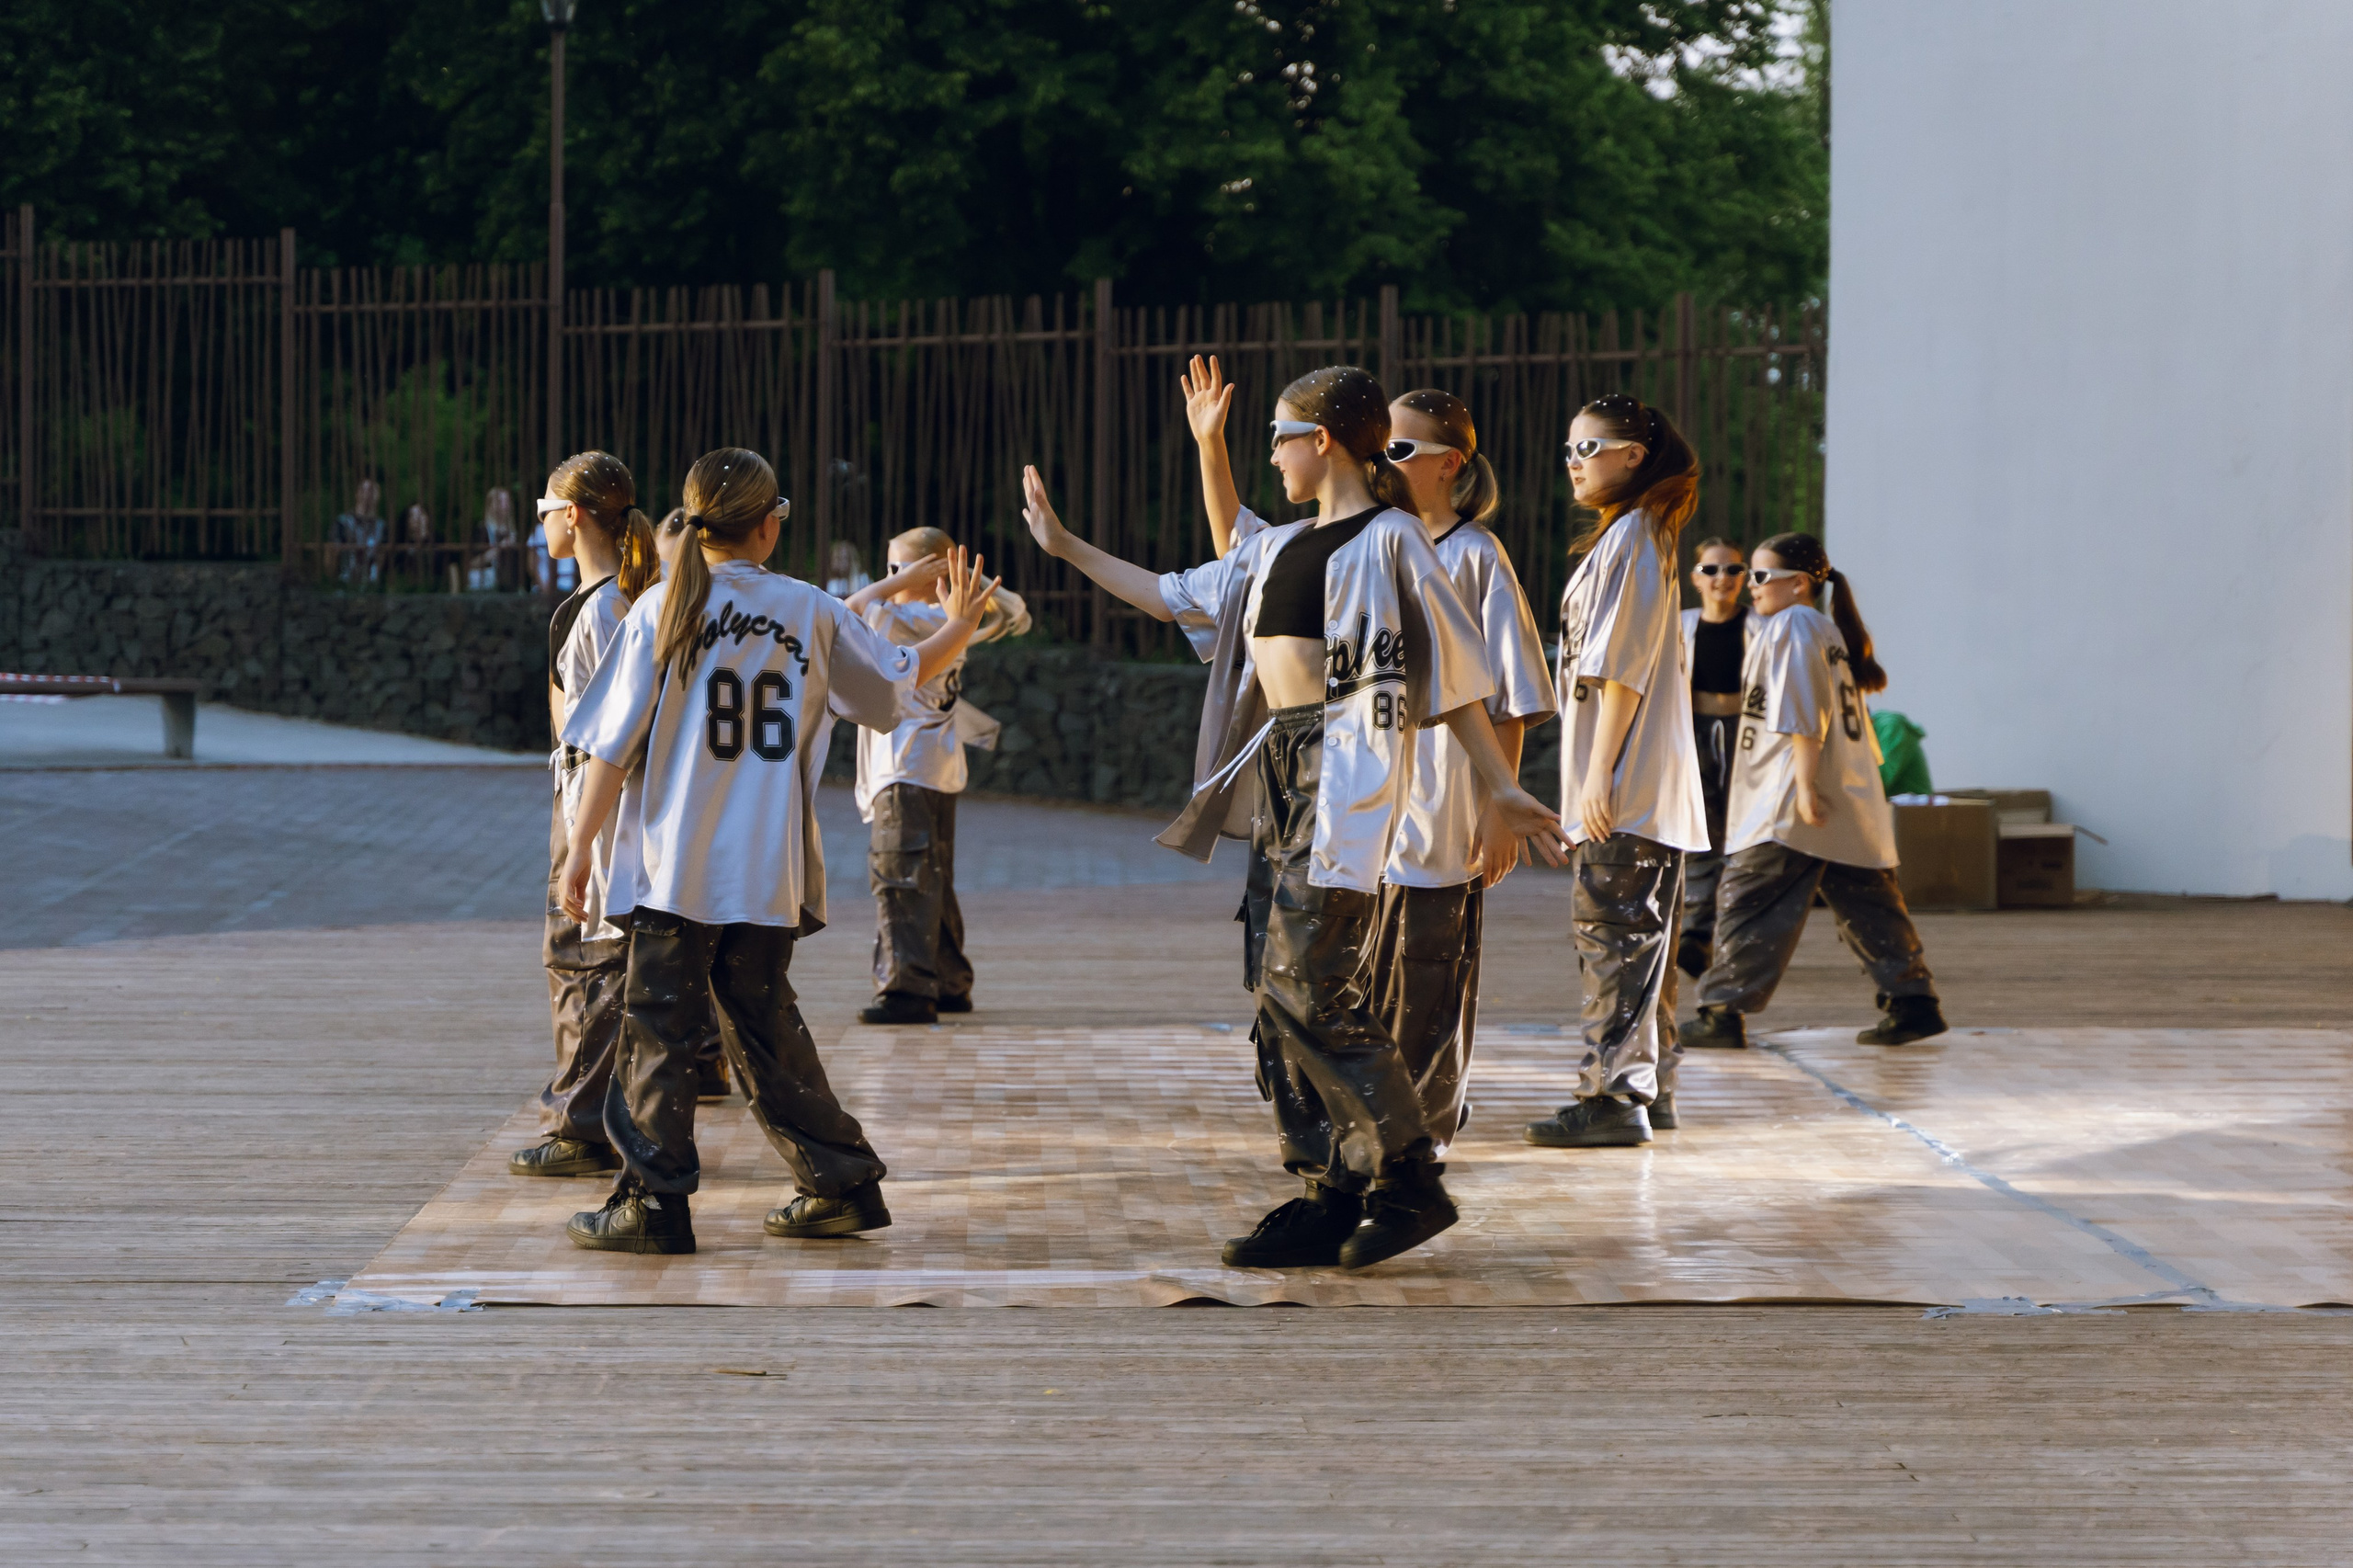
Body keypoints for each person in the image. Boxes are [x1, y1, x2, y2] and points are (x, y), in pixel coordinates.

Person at [1020, 364, 1570, 1273]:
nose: (1267, 454)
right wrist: (1067, 545)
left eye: (1276, 436)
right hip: (1279, 766)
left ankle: (1405, 1176)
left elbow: (1453, 669)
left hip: (1341, 766)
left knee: (1309, 985)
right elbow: (1169, 592)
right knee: (1276, 993)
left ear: (1321, 440)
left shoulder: (1395, 540)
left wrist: (1496, 786)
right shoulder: (1277, 548)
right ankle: (1331, 1185)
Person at [557, 447, 1000, 1255]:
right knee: (763, 1025)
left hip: (673, 866)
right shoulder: (811, 609)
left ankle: (655, 1204)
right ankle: (841, 1181)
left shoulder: (661, 607)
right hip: (765, 869)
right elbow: (893, 691)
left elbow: (610, 750)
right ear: (769, 528)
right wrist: (962, 628)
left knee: (656, 1030)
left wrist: (579, 850)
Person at [1367, 388, 1556, 1150]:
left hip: (1445, 806)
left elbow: (1509, 694)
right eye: (1381, 446)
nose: (1386, 461)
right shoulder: (1372, 544)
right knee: (1378, 976)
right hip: (1376, 810)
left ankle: (1426, 1131)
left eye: (1402, 449)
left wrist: (1497, 807)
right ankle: (1392, 1120)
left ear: (1450, 464)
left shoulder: (1476, 556)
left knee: (1432, 975)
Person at [1522, 394, 1710, 1151]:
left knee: (1615, 940)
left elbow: (1616, 669)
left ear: (1634, 454)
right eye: (1568, 449)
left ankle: (1613, 1097)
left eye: (1589, 448)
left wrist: (1596, 776)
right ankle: (1649, 1088)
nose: (1574, 462)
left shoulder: (1634, 536)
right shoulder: (1638, 535)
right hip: (1643, 783)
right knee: (1643, 944)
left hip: (1626, 783)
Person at [1680, 532, 1949, 1051]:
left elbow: (1805, 714)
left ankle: (1722, 1011)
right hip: (1843, 795)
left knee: (1746, 897)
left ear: (1798, 584)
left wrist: (1804, 787)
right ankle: (1913, 1001)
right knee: (1868, 900)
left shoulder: (1792, 626)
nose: (1749, 586)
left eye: (1759, 576)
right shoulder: (1823, 629)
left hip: (1793, 797)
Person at [507, 452, 667, 1180]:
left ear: (572, 515)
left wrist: (582, 838)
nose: (538, 521)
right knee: (590, 961)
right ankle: (591, 1114)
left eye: (544, 507)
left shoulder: (603, 608)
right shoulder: (616, 601)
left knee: (582, 960)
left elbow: (608, 733)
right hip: (596, 804)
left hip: (590, 810)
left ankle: (580, 1124)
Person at [842, 528, 1032, 1025]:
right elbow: (1012, 609)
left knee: (900, 876)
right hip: (937, 769)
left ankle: (907, 990)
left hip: (903, 769)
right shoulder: (948, 620)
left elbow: (843, 615)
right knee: (933, 877)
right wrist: (945, 574)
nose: (885, 579)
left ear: (927, 574)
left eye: (894, 569)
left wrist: (894, 584)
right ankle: (948, 981)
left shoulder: (899, 617)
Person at [1677, 538, 1750, 979]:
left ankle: (1734, 932)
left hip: (1748, 736)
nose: (1721, 578)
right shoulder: (1682, 626)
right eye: (1711, 570)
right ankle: (1696, 933)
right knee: (1701, 831)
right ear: (1695, 577)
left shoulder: (1759, 626)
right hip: (1695, 733)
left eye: (1733, 570)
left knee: (1743, 834)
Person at [333, 479, 385, 585]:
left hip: (373, 584)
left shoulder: (381, 526)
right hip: (346, 581)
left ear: (378, 496)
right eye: (364, 490)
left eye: (372, 491)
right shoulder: (342, 522)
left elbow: (383, 556)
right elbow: (333, 553)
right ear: (357, 493)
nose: (367, 495)